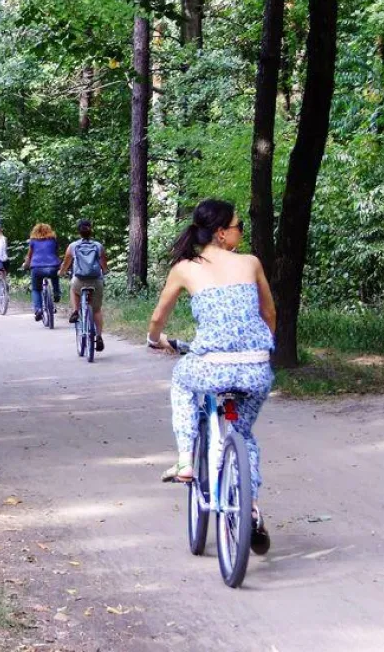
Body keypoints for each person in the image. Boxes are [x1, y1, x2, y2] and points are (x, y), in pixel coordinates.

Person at [146, 199, 275, 554]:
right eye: (238, 226)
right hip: (255, 367)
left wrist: (154, 340)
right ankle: (248, 508)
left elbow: (158, 317)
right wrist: (265, 351)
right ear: (221, 232)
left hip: (211, 365)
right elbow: (269, 313)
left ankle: (186, 459)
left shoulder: (185, 268)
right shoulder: (251, 263)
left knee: (182, 380)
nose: (241, 233)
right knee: (242, 433)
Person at [58, 219, 109, 351]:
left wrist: (61, 272)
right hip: (96, 281)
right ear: (91, 230)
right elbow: (104, 266)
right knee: (96, 310)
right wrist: (106, 271)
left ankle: (75, 311)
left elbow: (65, 264)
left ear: (78, 232)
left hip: (79, 280)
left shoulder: (73, 246)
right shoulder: (98, 246)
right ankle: (98, 336)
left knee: (73, 289)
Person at [22, 223, 61, 322]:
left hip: (37, 268)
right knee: (55, 277)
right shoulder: (53, 240)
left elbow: (30, 256)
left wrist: (25, 265)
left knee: (36, 289)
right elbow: (55, 252)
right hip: (52, 267)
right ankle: (56, 294)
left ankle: (38, 309)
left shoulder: (33, 241)